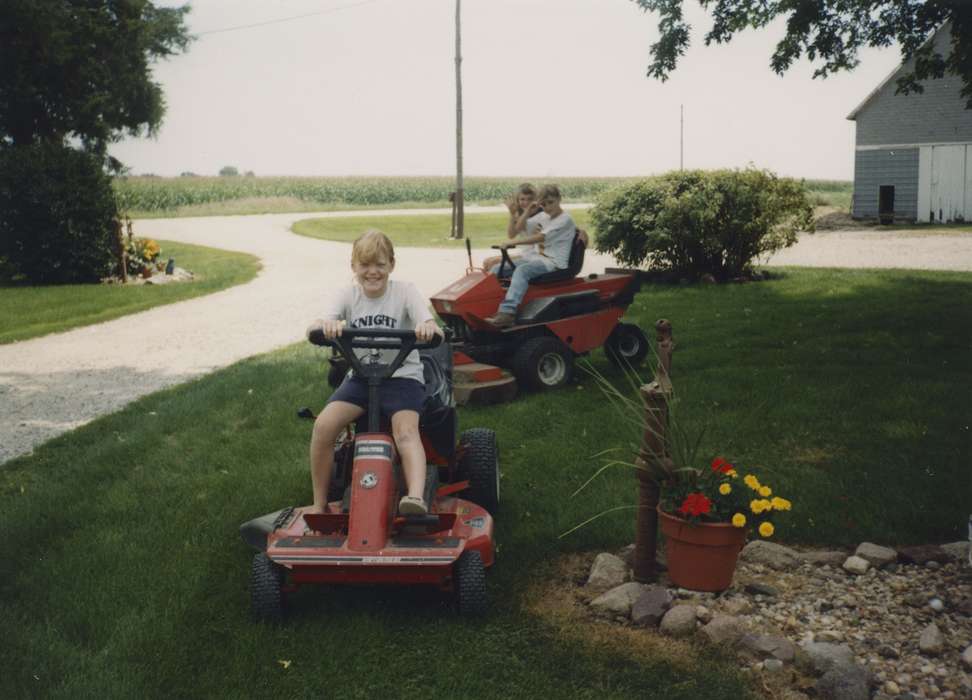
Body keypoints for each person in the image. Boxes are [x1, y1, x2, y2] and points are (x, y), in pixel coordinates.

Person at [305, 230, 441, 516]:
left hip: (402, 377)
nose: (372, 272)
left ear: (391, 264)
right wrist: (324, 326)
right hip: (361, 378)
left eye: (380, 264)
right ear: (353, 267)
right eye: (365, 265)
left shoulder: (405, 291)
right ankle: (319, 503)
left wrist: (428, 328)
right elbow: (319, 323)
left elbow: (429, 322)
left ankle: (415, 498)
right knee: (324, 426)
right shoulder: (347, 293)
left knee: (405, 432)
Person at [484, 184, 577, 328]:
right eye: (544, 204)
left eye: (551, 202)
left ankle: (507, 313)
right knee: (496, 269)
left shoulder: (565, 219)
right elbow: (518, 229)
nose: (548, 207)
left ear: (559, 199)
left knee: (522, 271)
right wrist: (526, 211)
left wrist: (512, 242)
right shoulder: (545, 216)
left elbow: (541, 237)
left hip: (554, 262)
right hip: (538, 258)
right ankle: (487, 308)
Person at [481, 182, 541, 273]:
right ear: (517, 200)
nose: (526, 202)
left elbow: (519, 229)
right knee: (487, 262)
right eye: (522, 199)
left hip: (533, 254)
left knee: (494, 265)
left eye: (530, 199)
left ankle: (497, 284)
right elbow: (511, 234)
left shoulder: (540, 215)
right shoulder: (520, 213)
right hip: (525, 253)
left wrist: (523, 213)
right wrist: (512, 214)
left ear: (536, 199)